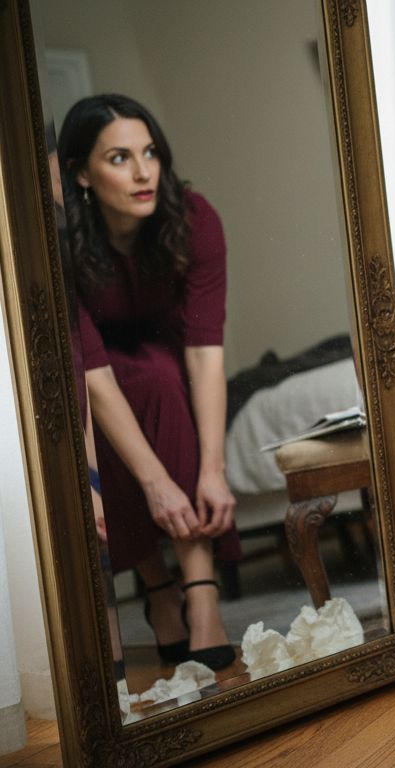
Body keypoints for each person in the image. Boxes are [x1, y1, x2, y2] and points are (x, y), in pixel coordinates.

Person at [59, 94, 238, 671]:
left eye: (150, 152)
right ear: (81, 173)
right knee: (111, 397)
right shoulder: (60, 244)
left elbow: (205, 352)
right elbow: (94, 374)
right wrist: (158, 484)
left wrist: (213, 470)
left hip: (166, 354)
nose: (143, 172)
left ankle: (200, 591)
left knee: (161, 377)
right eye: (119, 158)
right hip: (89, 370)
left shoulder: (193, 218)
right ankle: (159, 587)